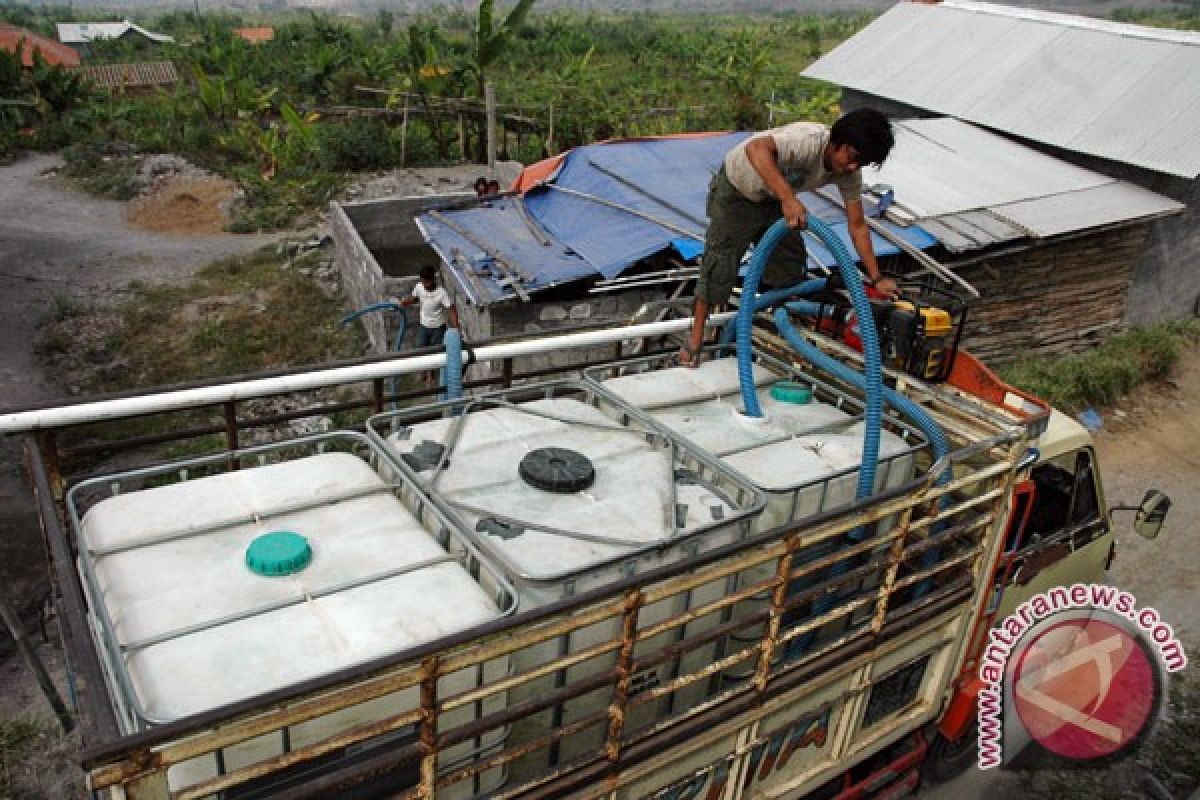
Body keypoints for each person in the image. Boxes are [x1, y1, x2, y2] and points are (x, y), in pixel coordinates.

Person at [679, 109, 898, 368]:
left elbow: (858, 225)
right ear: (838, 141)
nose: (852, 167)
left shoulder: (849, 173)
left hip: (773, 197)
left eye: (860, 164)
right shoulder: (807, 141)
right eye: (852, 157)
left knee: (790, 264)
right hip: (739, 191)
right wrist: (788, 198)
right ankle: (695, 339)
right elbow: (756, 148)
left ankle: (787, 326)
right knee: (719, 265)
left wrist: (877, 278)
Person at [399, 265, 459, 382]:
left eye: (427, 281)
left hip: (438, 327)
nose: (425, 284)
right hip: (424, 325)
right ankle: (423, 371)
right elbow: (416, 298)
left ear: (432, 279)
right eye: (423, 281)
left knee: (434, 351)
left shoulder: (441, 293)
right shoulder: (419, 287)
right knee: (420, 348)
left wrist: (456, 328)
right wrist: (405, 302)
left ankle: (431, 375)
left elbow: (451, 309)